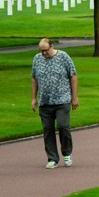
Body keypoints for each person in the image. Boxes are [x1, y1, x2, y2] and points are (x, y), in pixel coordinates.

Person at [29, 38, 77, 169]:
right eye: (41, 51)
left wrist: (74, 97)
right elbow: (34, 78)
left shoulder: (63, 57)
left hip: (62, 100)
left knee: (63, 126)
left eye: (46, 50)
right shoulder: (37, 59)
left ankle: (67, 153)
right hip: (45, 101)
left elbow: (73, 76)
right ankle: (52, 158)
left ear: (52, 46)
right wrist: (34, 98)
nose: (44, 53)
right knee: (47, 130)